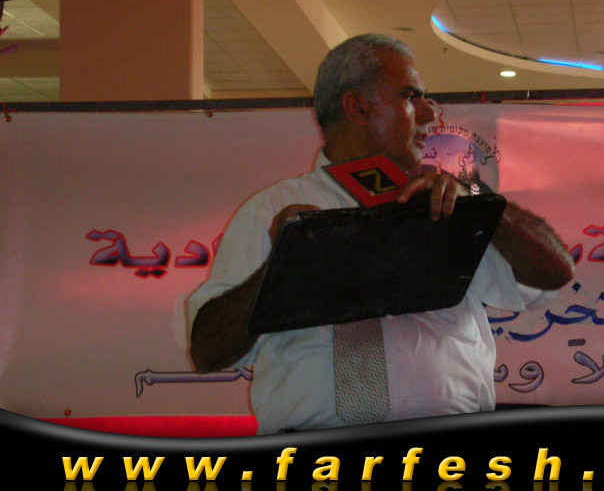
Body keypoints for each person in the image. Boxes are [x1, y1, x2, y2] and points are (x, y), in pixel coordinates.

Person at [187, 33, 575, 434]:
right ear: (357, 107)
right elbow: (207, 352)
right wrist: (283, 264)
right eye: (411, 96)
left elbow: (556, 272)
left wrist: (482, 205)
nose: (431, 112)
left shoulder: (449, 202)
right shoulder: (272, 210)